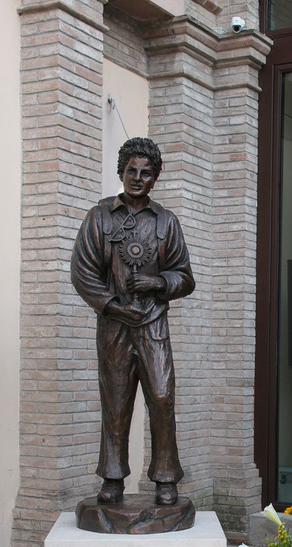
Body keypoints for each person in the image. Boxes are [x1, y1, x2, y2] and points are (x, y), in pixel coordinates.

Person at [72, 137, 196, 506]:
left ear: (155, 178)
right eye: (131, 171)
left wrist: (157, 282)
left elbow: (185, 277)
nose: (137, 178)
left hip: (154, 325)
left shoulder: (166, 222)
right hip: (114, 325)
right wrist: (111, 305)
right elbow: (83, 272)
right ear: (121, 172)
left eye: (145, 173)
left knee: (161, 397)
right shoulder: (100, 217)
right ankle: (112, 477)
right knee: (115, 400)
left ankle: (165, 477)